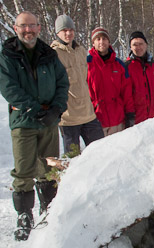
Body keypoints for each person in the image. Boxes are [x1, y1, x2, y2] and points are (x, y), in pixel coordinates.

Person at [0, 11, 69, 241]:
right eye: (23, 26)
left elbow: (62, 82)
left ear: (39, 28)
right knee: (25, 169)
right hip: (24, 122)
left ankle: (48, 211)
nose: (28, 30)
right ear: (16, 29)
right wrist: (34, 110)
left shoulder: (48, 54)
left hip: (48, 120)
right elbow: (9, 89)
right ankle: (24, 216)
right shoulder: (8, 56)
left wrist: (57, 108)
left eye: (32, 26)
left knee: (49, 168)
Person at [51, 14, 104, 153]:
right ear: (57, 33)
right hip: (68, 118)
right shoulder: (53, 54)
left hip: (88, 114)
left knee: (101, 153)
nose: (68, 33)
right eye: (64, 30)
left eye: (71, 29)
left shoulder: (81, 51)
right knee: (73, 159)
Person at [87, 27, 135, 135]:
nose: (101, 42)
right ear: (93, 43)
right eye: (98, 39)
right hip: (96, 121)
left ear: (109, 41)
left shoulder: (119, 65)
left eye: (104, 38)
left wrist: (130, 114)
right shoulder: (87, 64)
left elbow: (127, 92)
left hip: (118, 121)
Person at [126, 31, 154, 123]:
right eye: (135, 44)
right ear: (130, 47)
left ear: (146, 45)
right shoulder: (126, 67)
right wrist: (128, 118)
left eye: (141, 44)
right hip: (135, 120)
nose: (138, 47)